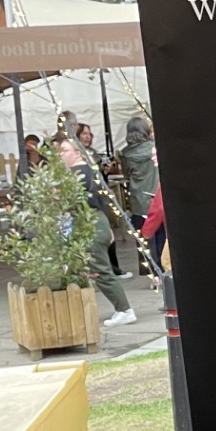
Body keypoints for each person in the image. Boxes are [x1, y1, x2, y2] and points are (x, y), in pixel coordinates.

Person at [57, 131, 136, 327]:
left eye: (65, 150)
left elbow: (68, 200)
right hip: (92, 223)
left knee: (100, 270)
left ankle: (125, 309)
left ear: (77, 153)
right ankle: (77, 311)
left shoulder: (80, 173)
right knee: (82, 270)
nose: (60, 154)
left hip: (90, 224)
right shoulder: (85, 172)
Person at [120, 116, 158, 227]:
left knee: (140, 232)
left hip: (137, 200)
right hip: (155, 197)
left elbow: (126, 174)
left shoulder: (125, 153)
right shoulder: (155, 148)